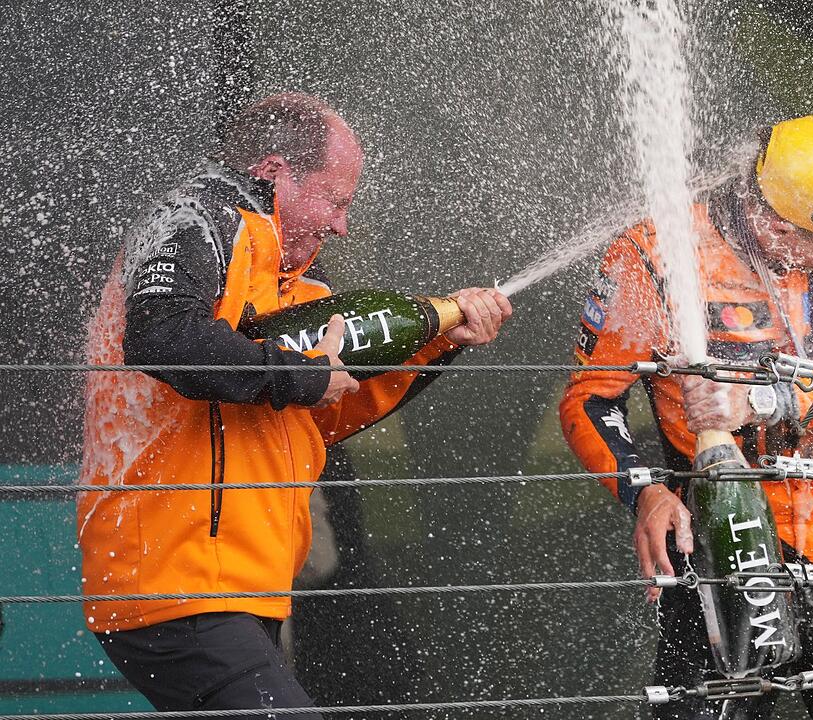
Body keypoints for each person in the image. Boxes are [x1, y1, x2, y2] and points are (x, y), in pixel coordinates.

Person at [78, 92, 512, 716]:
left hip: (245, 588)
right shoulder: (191, 215)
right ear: (276, 171)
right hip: (173, 580)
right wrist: (301, 376)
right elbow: (162, 337)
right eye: (336, 200)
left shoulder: (299, 286)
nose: (342, 224)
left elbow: (321, 416)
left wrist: (437, 345)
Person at [559, 115, 813, 719]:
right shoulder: (657, 252)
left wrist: (765, 398)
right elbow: (591, 398)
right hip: (716, 545)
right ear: (779, 226)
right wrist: (644, 492)